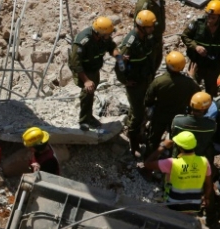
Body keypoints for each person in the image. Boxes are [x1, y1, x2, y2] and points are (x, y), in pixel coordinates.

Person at [117, 10, 158, 156]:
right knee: (138, 113)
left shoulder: (146, 37)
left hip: (145, 79)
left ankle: (136, 131)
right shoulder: (130, 43)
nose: (152, 29)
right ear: (142, 27)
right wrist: (125, 81)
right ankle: (133, 143)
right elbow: (119, 64)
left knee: (143, 108)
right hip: (135, 84)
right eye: (150, 27)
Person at [68, 16, 120, 129]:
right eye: (107, 34)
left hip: (94, 68)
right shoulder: (83, 41)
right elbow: (75, 64)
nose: (109, 36)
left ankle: (89, 115)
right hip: (83, 71)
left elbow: (111, 46)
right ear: (98, 33)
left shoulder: (103, 38)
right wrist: (86, 81)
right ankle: (84, 121)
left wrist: (117, 55)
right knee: (87, 92)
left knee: (91, 92)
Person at [144, 51, 202, 151]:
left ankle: (149, 159)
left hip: (160, 114)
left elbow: (148, 100)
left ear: (167, 64)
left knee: (154, 138)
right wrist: (192, 77)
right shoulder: (188, 82)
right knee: (176, 138)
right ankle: (174, 158)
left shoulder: (158, 81)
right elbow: (198, 94)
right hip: (179, 115)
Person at [144, 131, 213, 214]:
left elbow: (147, 164)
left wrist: (162, 146)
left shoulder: (172, 163)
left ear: (180, 147)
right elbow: (209, 184)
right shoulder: (204, 162)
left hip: (174, 204)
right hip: (194, 205)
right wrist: (206, 198)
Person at [181, 0, 220, 97]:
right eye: (208, 16)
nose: (210, 20)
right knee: (192, 88)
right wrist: (196, 47)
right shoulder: (198, 23)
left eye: (213, 18)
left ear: (219, 17)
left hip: (214, 65)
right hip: (197, 63)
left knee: (212, 91)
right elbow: (185, 36)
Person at [171, 92, 217, 170]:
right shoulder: (211, 125)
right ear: (205, 109)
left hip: (179, 158)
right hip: (200, 159)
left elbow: (173, 135)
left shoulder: (177, 121)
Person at [134, 0, 166, 71]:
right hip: (148, 42)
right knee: (147, 67)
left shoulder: (159, 1)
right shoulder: (144, 6)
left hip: (157, 38)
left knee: (157, 62)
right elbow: (139, 29)